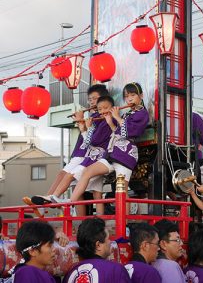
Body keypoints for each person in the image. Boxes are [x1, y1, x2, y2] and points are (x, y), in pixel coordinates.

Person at [57, 82, 149, 212]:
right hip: (113, 154)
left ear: (141, 95)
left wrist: (116, 117)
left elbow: (129, 132)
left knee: (121, 190)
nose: (129, 99)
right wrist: (110, 121)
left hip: (126, 154)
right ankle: (70, 201)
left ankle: (125, 225)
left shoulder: (142, 114)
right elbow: (116, 131)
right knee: (87, 172)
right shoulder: (127, 114)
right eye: (127, 96)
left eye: (133, 95)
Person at [23, 84, 109, 216]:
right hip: (83, 153)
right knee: (76, 186)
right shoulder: (93, 117)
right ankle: (52, 203)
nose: (91, 102)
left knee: (68, 177)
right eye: (89, 99)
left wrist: (83, 124)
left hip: (88, 155)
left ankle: (49, 199)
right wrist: (81, 122)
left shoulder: (102, 118)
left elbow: (92, 139)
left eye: (94, 98)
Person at [62, 218, 131, 283]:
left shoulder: (70, 273)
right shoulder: (116, 270)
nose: (110, 242)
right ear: (98, 245)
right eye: (108, 239)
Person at [152, 219, 186, 283]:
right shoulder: (170, 266)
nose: (181, 243)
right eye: (177, 240)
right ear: (163, 244)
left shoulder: (153, 263)